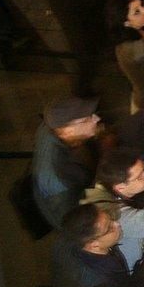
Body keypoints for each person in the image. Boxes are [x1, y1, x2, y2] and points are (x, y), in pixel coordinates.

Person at [49, 203, 133, 287]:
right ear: (94, 245)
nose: (117, 224)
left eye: (111, 218)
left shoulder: (73, 241)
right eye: (109, 228)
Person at [32, 96, 102, 230]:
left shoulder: (49, 127)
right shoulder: (60, 176)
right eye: (87, 119)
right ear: (68, 131)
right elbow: (71, 221)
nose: (97, 119)